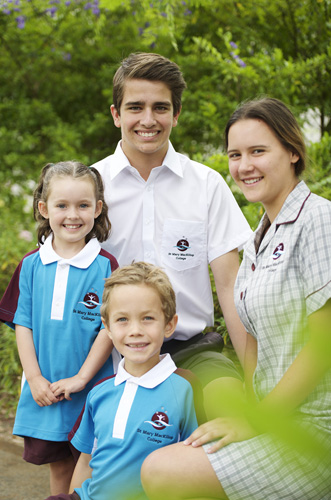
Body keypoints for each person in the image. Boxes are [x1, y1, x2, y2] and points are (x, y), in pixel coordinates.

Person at [140, 97, 331, 500]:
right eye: (235, 154)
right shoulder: (259, 239)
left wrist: (257, 420)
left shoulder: (319, 220)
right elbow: (256, 341)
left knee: (165, 470)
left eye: (258, 151)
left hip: (314, 427)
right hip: (274, 415)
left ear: (293, 151)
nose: (244, 166)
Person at [92, 52, 253, 418]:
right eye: (135, 107)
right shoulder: (89, 188)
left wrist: (253, 377)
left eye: (160, 108)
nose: (148, 120)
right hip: (105, 355)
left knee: (233, 412)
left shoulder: (207, 186)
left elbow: (230, 288)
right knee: (94, 465)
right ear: (116, 114)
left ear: (176, 114)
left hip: (191, 352)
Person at [0, 161, 119, 495]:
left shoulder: (105, 265)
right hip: (46, 392)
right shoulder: (31, 265)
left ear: (97, 208)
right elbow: (22, 323)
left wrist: (82, 378)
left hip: (92, 389)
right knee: (59, 467)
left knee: (90, 466)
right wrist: (35, 379)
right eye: (62, 205)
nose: (73, 215)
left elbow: (110, 328)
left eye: (83, 205)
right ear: (43, 208)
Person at [45, 261, 203, 500]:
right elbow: (87, 460)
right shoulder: (100, 392)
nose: (135, 330)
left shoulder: (184, 388)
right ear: (107, 328)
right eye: (122, 320)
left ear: (169, 325)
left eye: (148, 318)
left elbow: (197, 464)